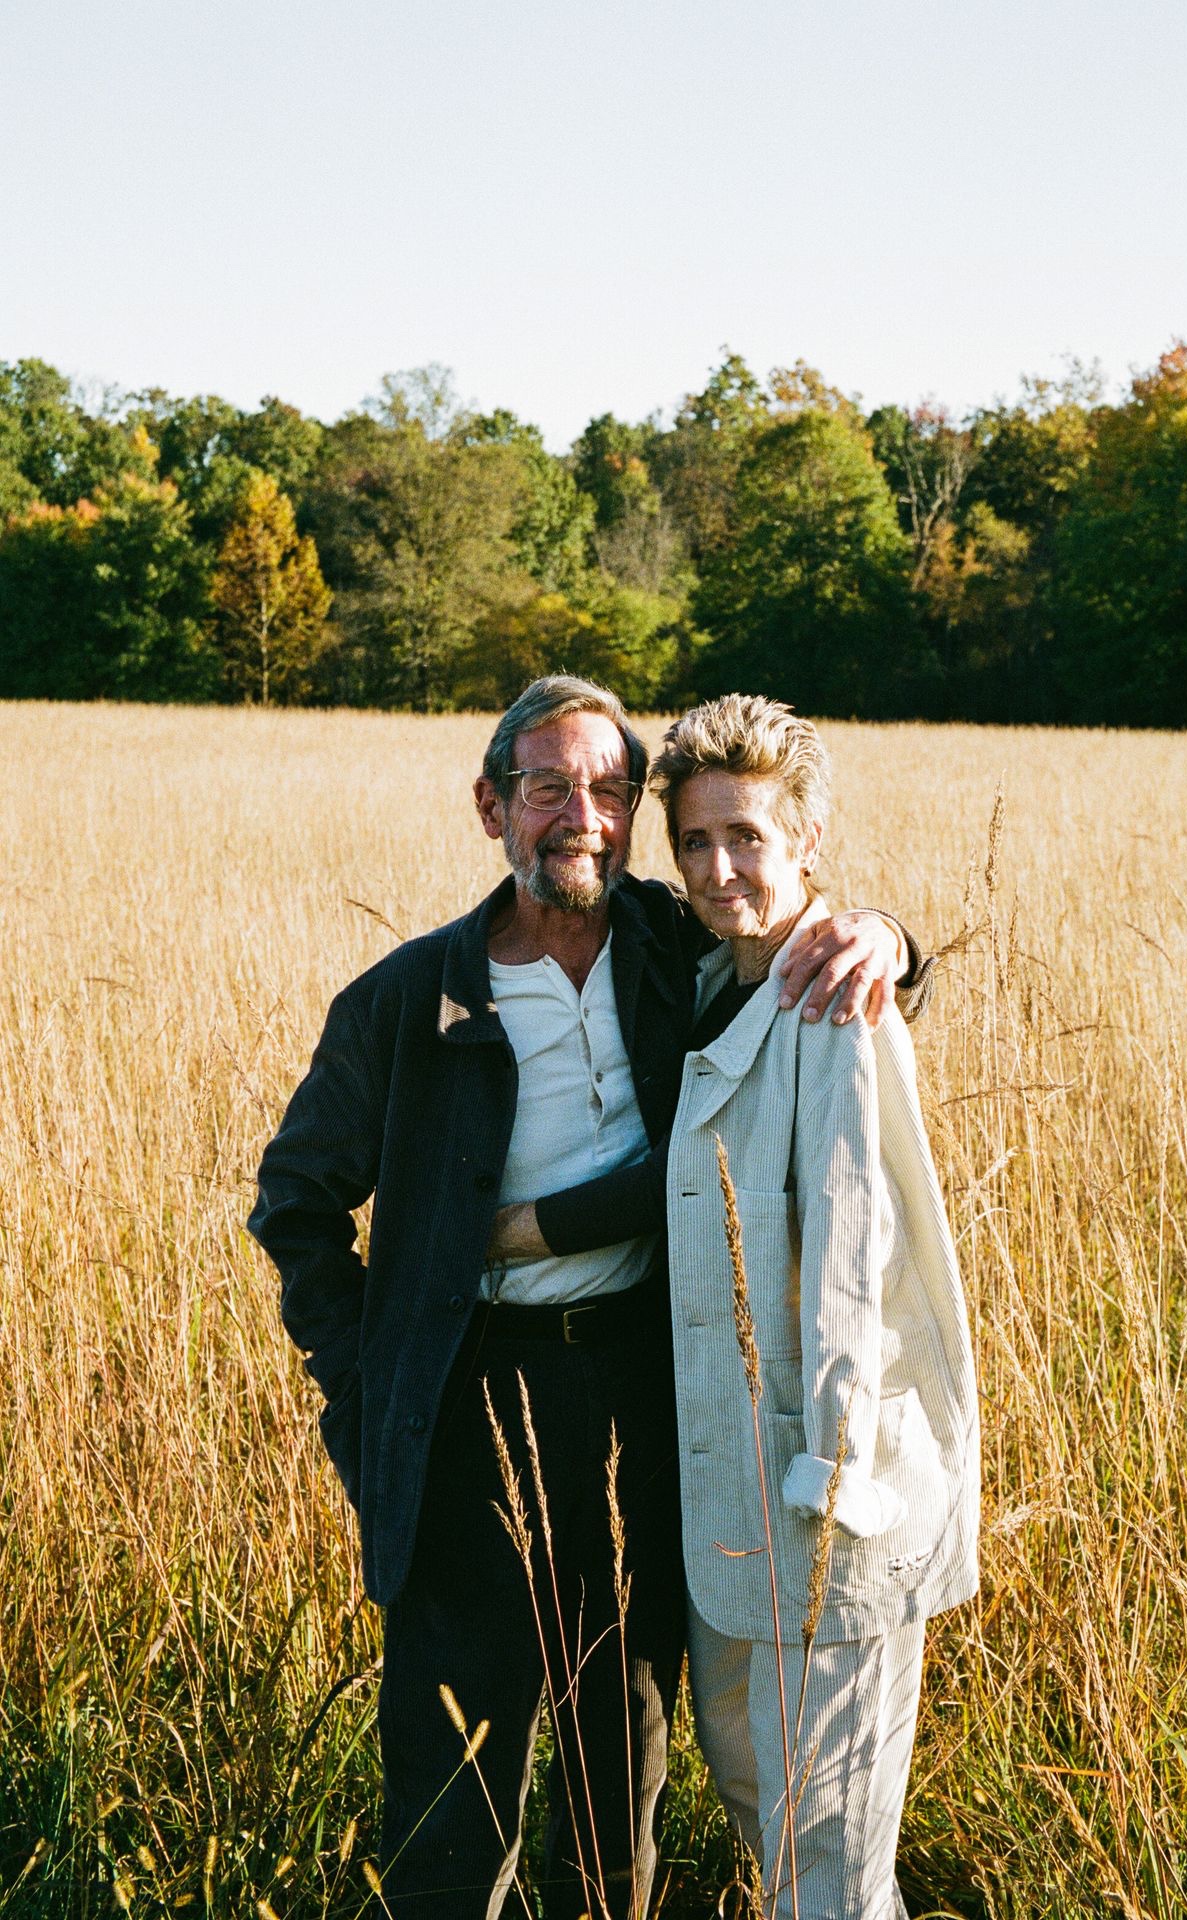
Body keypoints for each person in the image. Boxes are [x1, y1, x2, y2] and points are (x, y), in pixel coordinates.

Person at [247, 675, 930, 1920]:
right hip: (466, 1405)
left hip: (645, 1391)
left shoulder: (673, 953)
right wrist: (366, 1389)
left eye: (611, 790)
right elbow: (293, 1204)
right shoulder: (408, 1001)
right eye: (550, 787)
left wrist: (885, 932)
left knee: (624, 1748)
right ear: (490, 806)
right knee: (460, 1777)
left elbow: (800, 957)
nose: (585, 816)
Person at [494, 694, 978, 1920]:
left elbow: (859, 1272)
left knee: (832, 1866)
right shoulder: (700, 973)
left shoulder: (838, 1005)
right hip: (732, 1508)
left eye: (748, 838)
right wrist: (512, 1235)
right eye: (695, 840)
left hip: (831, 1501)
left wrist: (885, 937)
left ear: (808, 838)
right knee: (773, 1820)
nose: (717, 869)